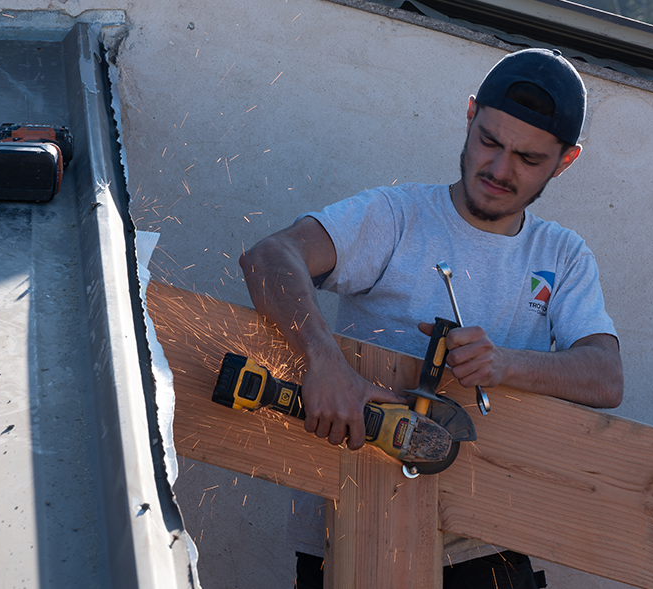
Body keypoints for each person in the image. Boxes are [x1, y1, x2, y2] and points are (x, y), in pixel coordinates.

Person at [239, 48, 623, 589]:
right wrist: (322, 360)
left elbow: (605, 376)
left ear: (566, 160)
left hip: (486, 547)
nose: (498, 168)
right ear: (469, 116)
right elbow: (270, 258)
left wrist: (505, 364)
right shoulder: (396, 217)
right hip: (352, 534)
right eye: (489, 141)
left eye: (528, 158)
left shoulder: (562, 256)